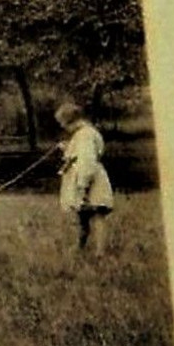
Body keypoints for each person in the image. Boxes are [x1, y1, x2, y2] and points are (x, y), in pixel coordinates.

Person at [56, 102, 116, 255]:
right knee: (82, 216)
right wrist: (68, 147)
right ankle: (79, 246)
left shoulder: (85, 135)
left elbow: (86, 160)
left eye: (64, 124)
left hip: (90, 180)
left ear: (72, 121)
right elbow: (79, 153)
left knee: (98, 214)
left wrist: (83, 185)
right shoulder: (84, 134)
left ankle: (100, 252)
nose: (64, 128)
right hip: (86, 176)